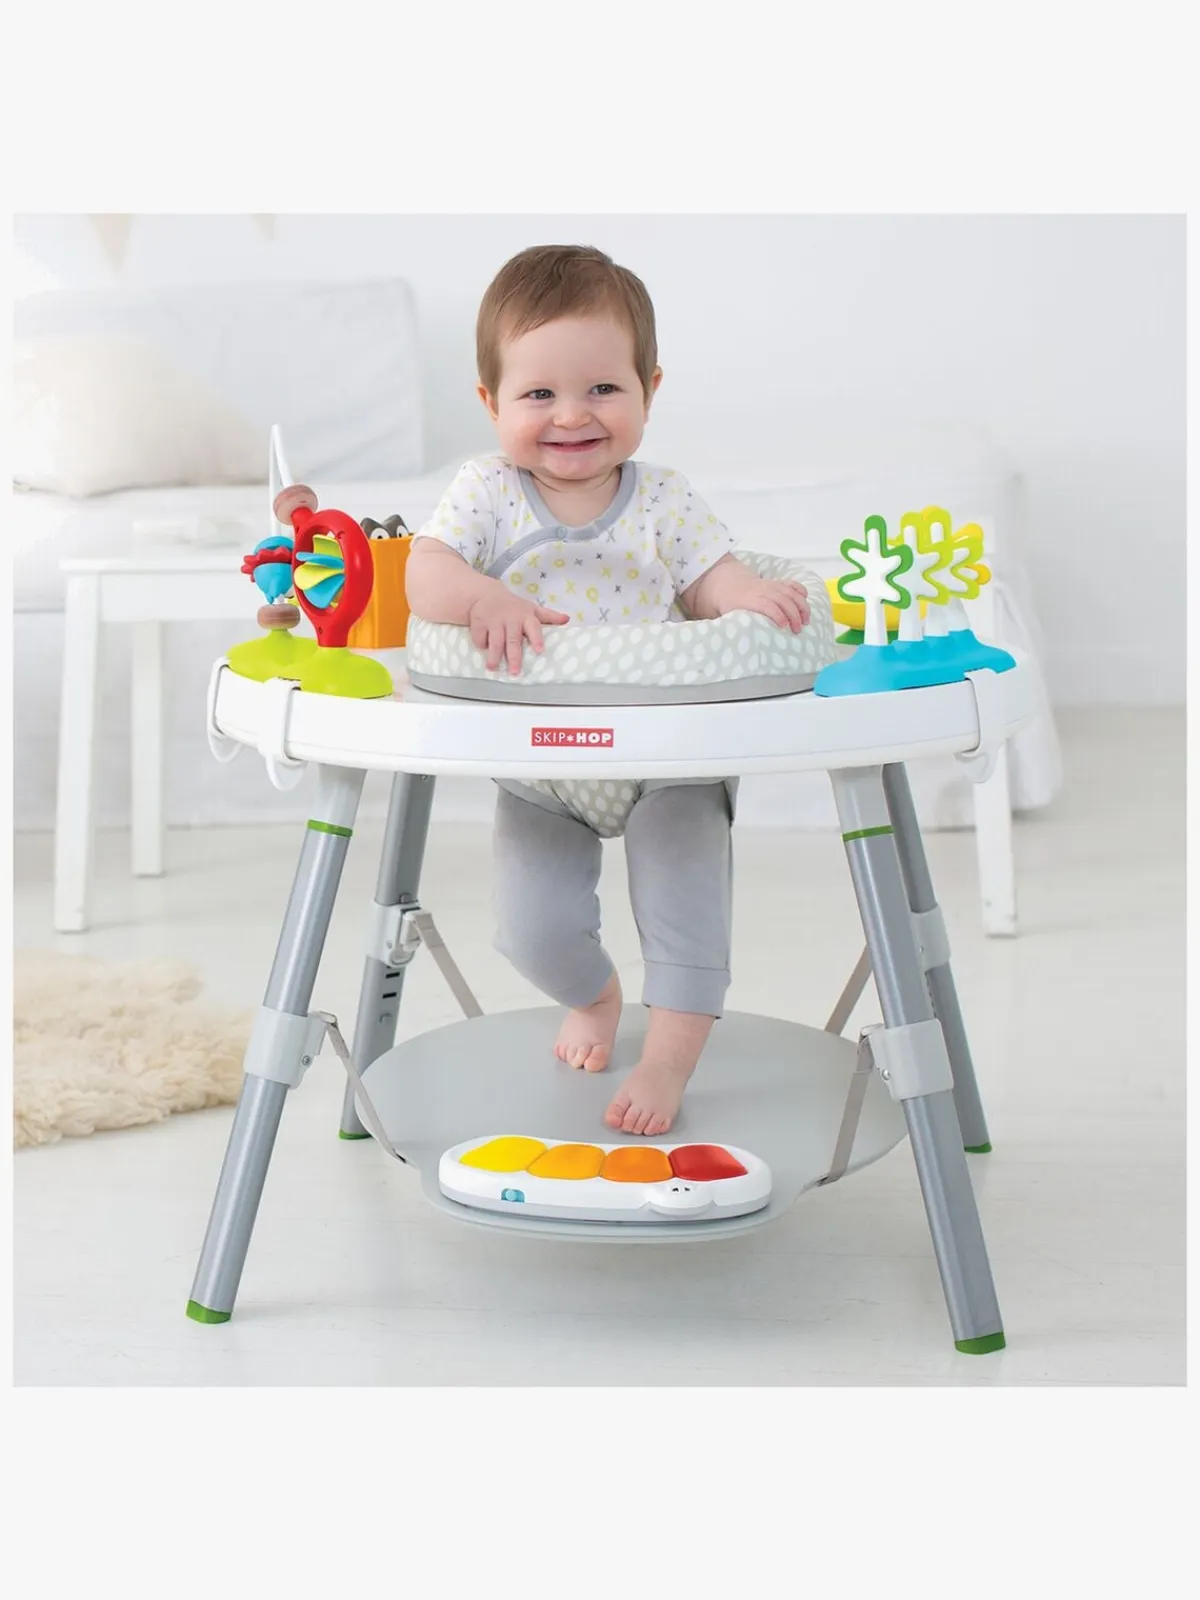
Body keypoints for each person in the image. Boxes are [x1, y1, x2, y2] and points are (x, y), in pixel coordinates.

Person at [405, 244, 811, 1136]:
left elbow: (710, 580)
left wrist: (747, 596)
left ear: (648, 391)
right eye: (538, 394)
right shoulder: (486, 491)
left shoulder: (664, 499)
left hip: (669, 757)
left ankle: (667, 1061)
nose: (572, 415)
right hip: (539, 765)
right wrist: (481, 597)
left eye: (602, 388)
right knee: (532, 929)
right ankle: (593, 995)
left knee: (686, 913)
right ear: (491, 403)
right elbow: (424, 576)